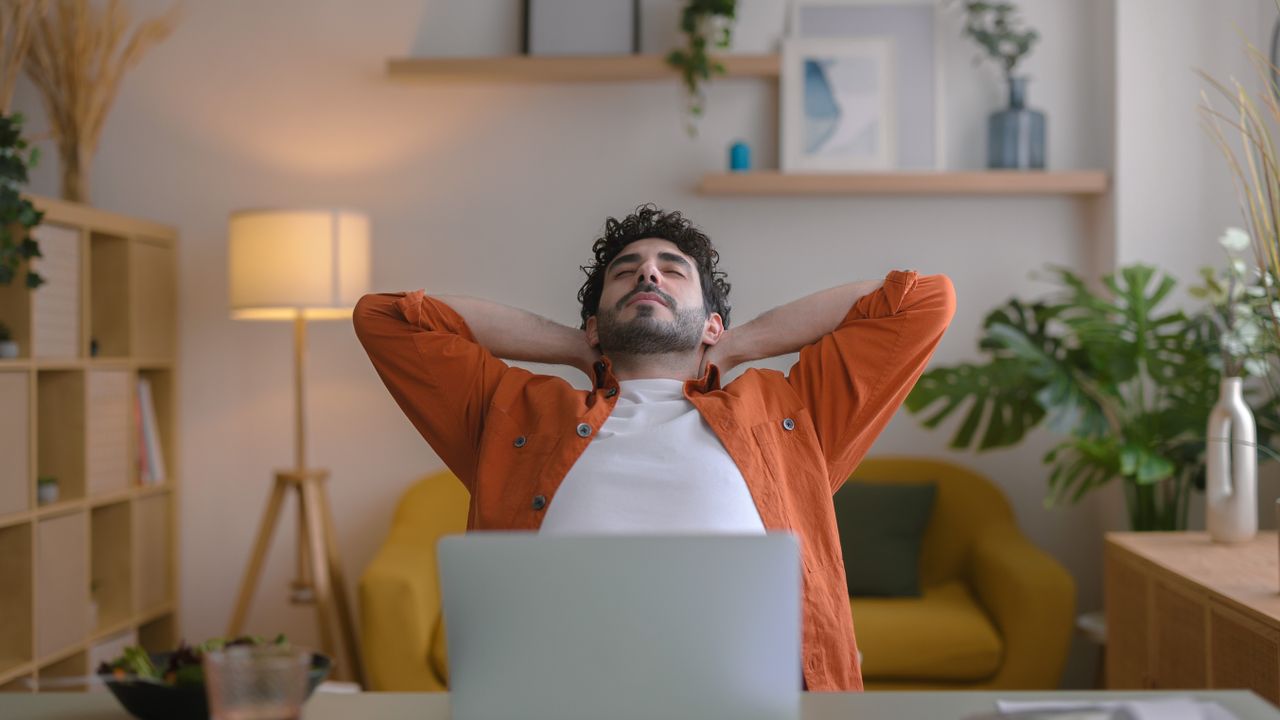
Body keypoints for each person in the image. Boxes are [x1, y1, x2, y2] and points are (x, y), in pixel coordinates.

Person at [354, 204, 956, 691]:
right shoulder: (517, 412)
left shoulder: (786, 413)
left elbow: (921, 301)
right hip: (557, 695)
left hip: (753, 698)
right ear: (594, 324)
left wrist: (738, 344)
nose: (648, 274)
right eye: (627, 270)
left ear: (711, 322)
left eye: (672, 269)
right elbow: (385, 317)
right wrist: (572, 346)